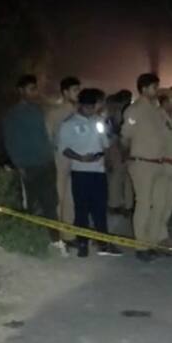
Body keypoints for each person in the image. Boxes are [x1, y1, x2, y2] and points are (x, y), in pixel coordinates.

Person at [2, 74, 67, 256]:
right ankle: (33, 242)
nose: (35, 92)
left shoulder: (38, 111)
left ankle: (55, 241)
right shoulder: (13, 115)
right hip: (29, 166)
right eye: (31, 89)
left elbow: (45, 136)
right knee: (32, 206)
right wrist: (19, 165)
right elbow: (10, 142)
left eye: (35, 88)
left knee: (51, 203)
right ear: (21, 90)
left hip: (46, 163)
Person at [58, 88, 122, 258]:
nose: (90, 110)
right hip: (80, 172)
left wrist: (105, 159)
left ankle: (103, 243)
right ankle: (82, 244)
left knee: (100, 209)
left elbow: (105, 143)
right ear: (80, 105)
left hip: (98, 171)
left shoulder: (98, 121)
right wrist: (80, 158)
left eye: (93, 107)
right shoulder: (69, 124)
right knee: (81, 210)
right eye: (87, 107)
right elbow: (64, 149)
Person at [121, 73, 168, 261]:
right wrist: (130, 157)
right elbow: (125, 136)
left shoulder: (157, 111)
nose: (157, 91)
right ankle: (141, 246)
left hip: (158, 163)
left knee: (159, 204)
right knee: (143, 204)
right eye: (154, 87)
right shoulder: (134, 110)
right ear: (144, 88)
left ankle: (152, 243)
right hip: (142, 163)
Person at [45, 77, 81, 243]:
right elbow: (48, 137)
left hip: (78, 160)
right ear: (65, 92)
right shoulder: (54, 112)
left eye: (78, 90)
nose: (77, 93)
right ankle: (57, 234)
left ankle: (69, 235)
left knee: (72, 198)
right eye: (74, 90)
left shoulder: (81, 112)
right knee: (59, 197)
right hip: (60, 158)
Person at [156, 90, 172, 244]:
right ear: (165, 101)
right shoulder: (156, 117)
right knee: (159, 202)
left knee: (168, 203)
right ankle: (157, 236)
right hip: (162, 165)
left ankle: (162, 233)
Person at [105, 92, 134, 215]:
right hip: (119, 146)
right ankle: (125, 205)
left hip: (118, 145)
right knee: (123, 178)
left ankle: (117, 204)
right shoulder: (124, 112)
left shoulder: (113, 113)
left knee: (118, 178)